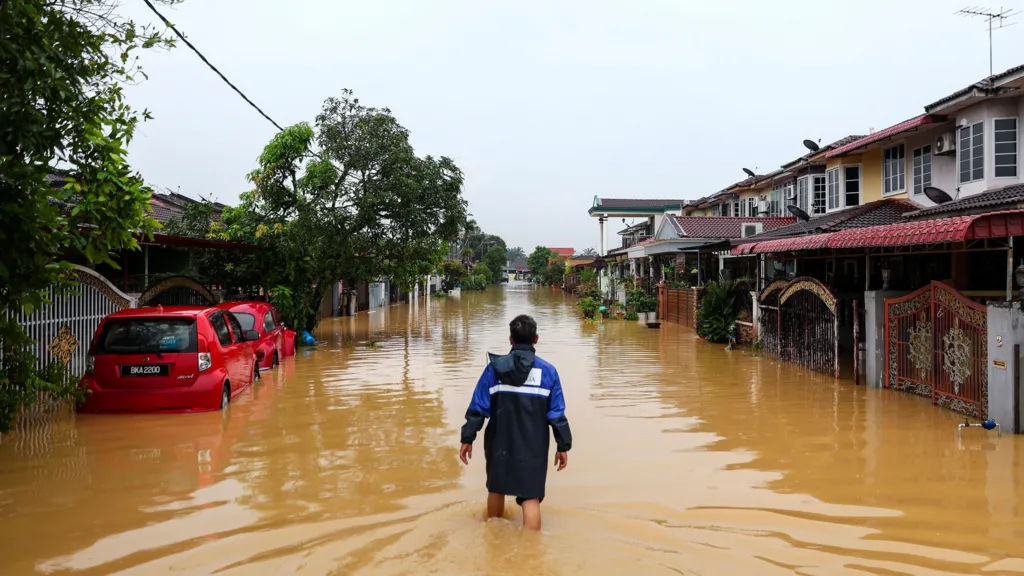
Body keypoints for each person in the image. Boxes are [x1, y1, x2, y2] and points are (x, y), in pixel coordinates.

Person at [459, 314, 572, 531]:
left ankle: (493, 539)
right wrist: (563, 445)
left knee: (496, 489)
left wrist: (468, 437)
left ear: (511, 339)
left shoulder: (494, 370)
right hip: (534, 445)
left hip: (500, 442)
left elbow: (478, 406)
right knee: (530, 497)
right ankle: (531, 552)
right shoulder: (548, 372)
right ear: (536, 339)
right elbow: (556, 413)